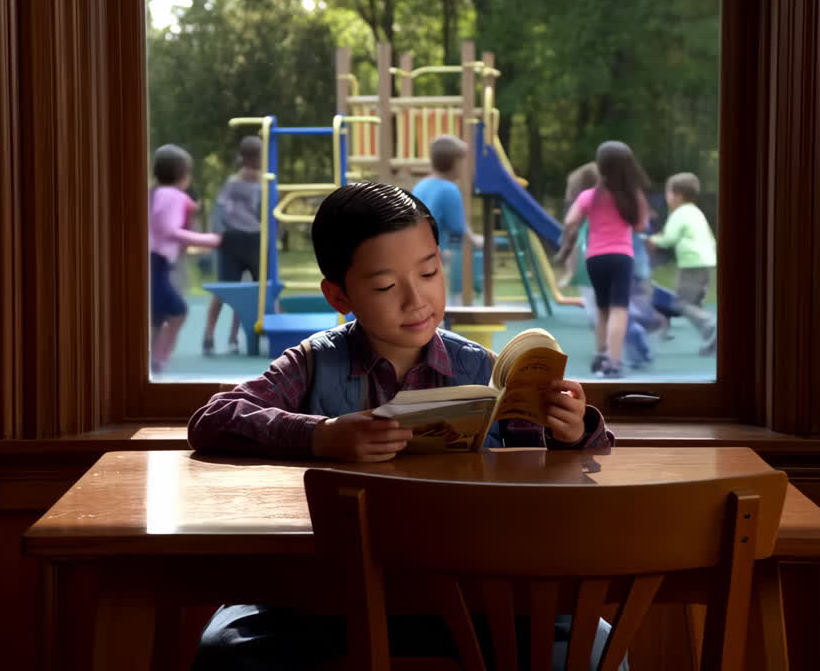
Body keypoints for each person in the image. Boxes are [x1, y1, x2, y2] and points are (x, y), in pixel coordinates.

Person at [187, 181, 622, 670]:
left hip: (475, 590)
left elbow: (558, 466)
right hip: (328, 594)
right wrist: (323, 434)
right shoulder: (312, 363)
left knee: (594, 645)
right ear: (339, 294)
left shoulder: (482, 369)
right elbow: (213, 419)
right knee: (225, 650)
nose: (417, 299)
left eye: (430, 271)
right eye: (385, 286)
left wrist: (574, 430)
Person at [559, 141, 652, 379]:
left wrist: (574, 233)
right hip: (622, 257)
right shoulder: (633, 197)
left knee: (602, 309)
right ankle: (614, 361)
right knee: (619, 309)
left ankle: (600, 355)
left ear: (600, 167)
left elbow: (570, 221)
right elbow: (641, 225)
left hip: (595, 258)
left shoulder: (589, 196)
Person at [149, 144, 221, 374]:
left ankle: (154, 359)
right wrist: (208, 240)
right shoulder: (174, 196)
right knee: (178, 311)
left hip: (154, 261)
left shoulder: (156, 193)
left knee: (158, 316)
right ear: (184, 175)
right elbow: (169, 230)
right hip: (157, 262)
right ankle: (159, 359)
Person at [202, 135, 264, 357]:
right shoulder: (262, 183)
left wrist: (217, 234)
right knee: (251, 291)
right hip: (254, 239)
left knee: (226, 289)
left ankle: (209, 336)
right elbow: (265, 212)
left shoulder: (231, 182)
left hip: (231, 240)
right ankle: (232, 337)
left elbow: (219, 210)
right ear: (257, 156)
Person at [648, 172, 717, 356]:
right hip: (706, 262)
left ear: (677, 195)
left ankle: (713, 326)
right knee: (695, 304)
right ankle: (712, 340)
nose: (666, 197)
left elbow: (668, 239)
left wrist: (652, 240)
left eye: (668, 193)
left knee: (682, 304)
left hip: (691, 264)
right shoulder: (696, 212)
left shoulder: (679, 213)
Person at [411, 135, 484, 300]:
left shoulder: (421, 185)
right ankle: (456, 301)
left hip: (413, 252)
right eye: (463, 162)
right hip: (433, 254)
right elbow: (458, 227)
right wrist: (475, 239)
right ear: (455, 162)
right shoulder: (449, 189)